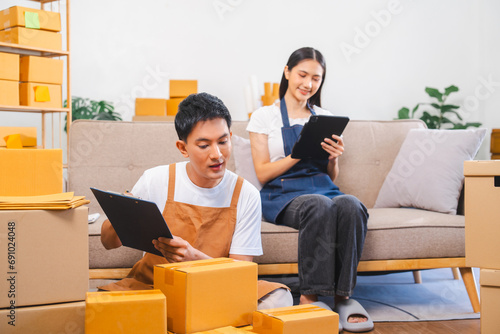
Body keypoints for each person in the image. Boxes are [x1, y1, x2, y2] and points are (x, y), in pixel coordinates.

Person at [99, 92, 291, 309]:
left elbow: (239, 273)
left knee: (280, 299)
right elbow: (108, 243)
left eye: (223, 141)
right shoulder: (156, 179)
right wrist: (121, 214)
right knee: (98, 307)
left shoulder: (246, 193)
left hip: (216, 290)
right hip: (156, 288)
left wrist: (193, 258)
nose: (217, 154)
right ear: (183, 148)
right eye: (204, 145)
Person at [247, 47, 373, 332]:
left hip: (323, 187)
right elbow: (262, 172)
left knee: (352, 204)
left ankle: (343, 297)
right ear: (287, 72)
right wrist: (298, 153)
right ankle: (310, 297)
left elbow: (330, 175)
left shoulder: (325, 116)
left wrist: (333, 158)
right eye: (302, 75)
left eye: (316, 78)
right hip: (281, 192)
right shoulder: (264, 117)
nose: (308, 84)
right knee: (318, 204)